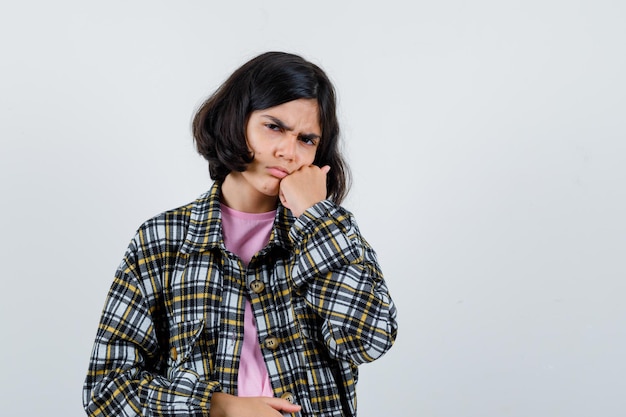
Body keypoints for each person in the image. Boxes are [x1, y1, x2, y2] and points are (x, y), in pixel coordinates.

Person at [83, 51, 398, 417]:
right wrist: (220, 407)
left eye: (307, 140)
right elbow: (106, 389)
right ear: (237, 120)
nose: (288, 152)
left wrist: (315, 217)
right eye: (274, 127)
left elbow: (369, 340)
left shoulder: (331, 234)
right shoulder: (163, 240)